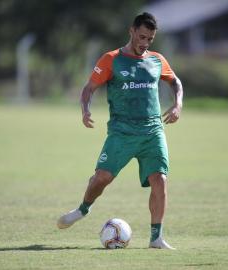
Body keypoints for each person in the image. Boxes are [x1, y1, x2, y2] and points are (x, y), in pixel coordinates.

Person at [57, 12, 183, 250]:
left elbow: (175, 82)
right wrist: (85, 109)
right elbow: (89, 88)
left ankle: (156, 238)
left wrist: (178, 104)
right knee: (102, 178)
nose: (145, 43)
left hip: (152, 131)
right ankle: (83, 209)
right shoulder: (111, 59)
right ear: (132, 31)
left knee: (160, 180)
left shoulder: (157, 60)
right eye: (142, 37)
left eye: (150, 39)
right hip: (121, 132)